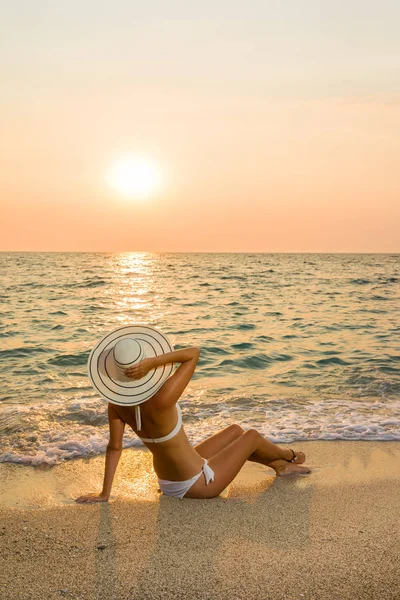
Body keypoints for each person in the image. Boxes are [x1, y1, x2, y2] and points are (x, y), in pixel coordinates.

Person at [76, 326, 311, 504]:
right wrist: (154, 362)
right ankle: (290, 456)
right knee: (250, 436)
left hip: (168, 483)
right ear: (144, 363)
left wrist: (104, 494)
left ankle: (279, 466)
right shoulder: (163, 398)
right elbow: (193, 354)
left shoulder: (116, 404)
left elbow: (114, 448)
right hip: (198, 485)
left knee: (235, 432)